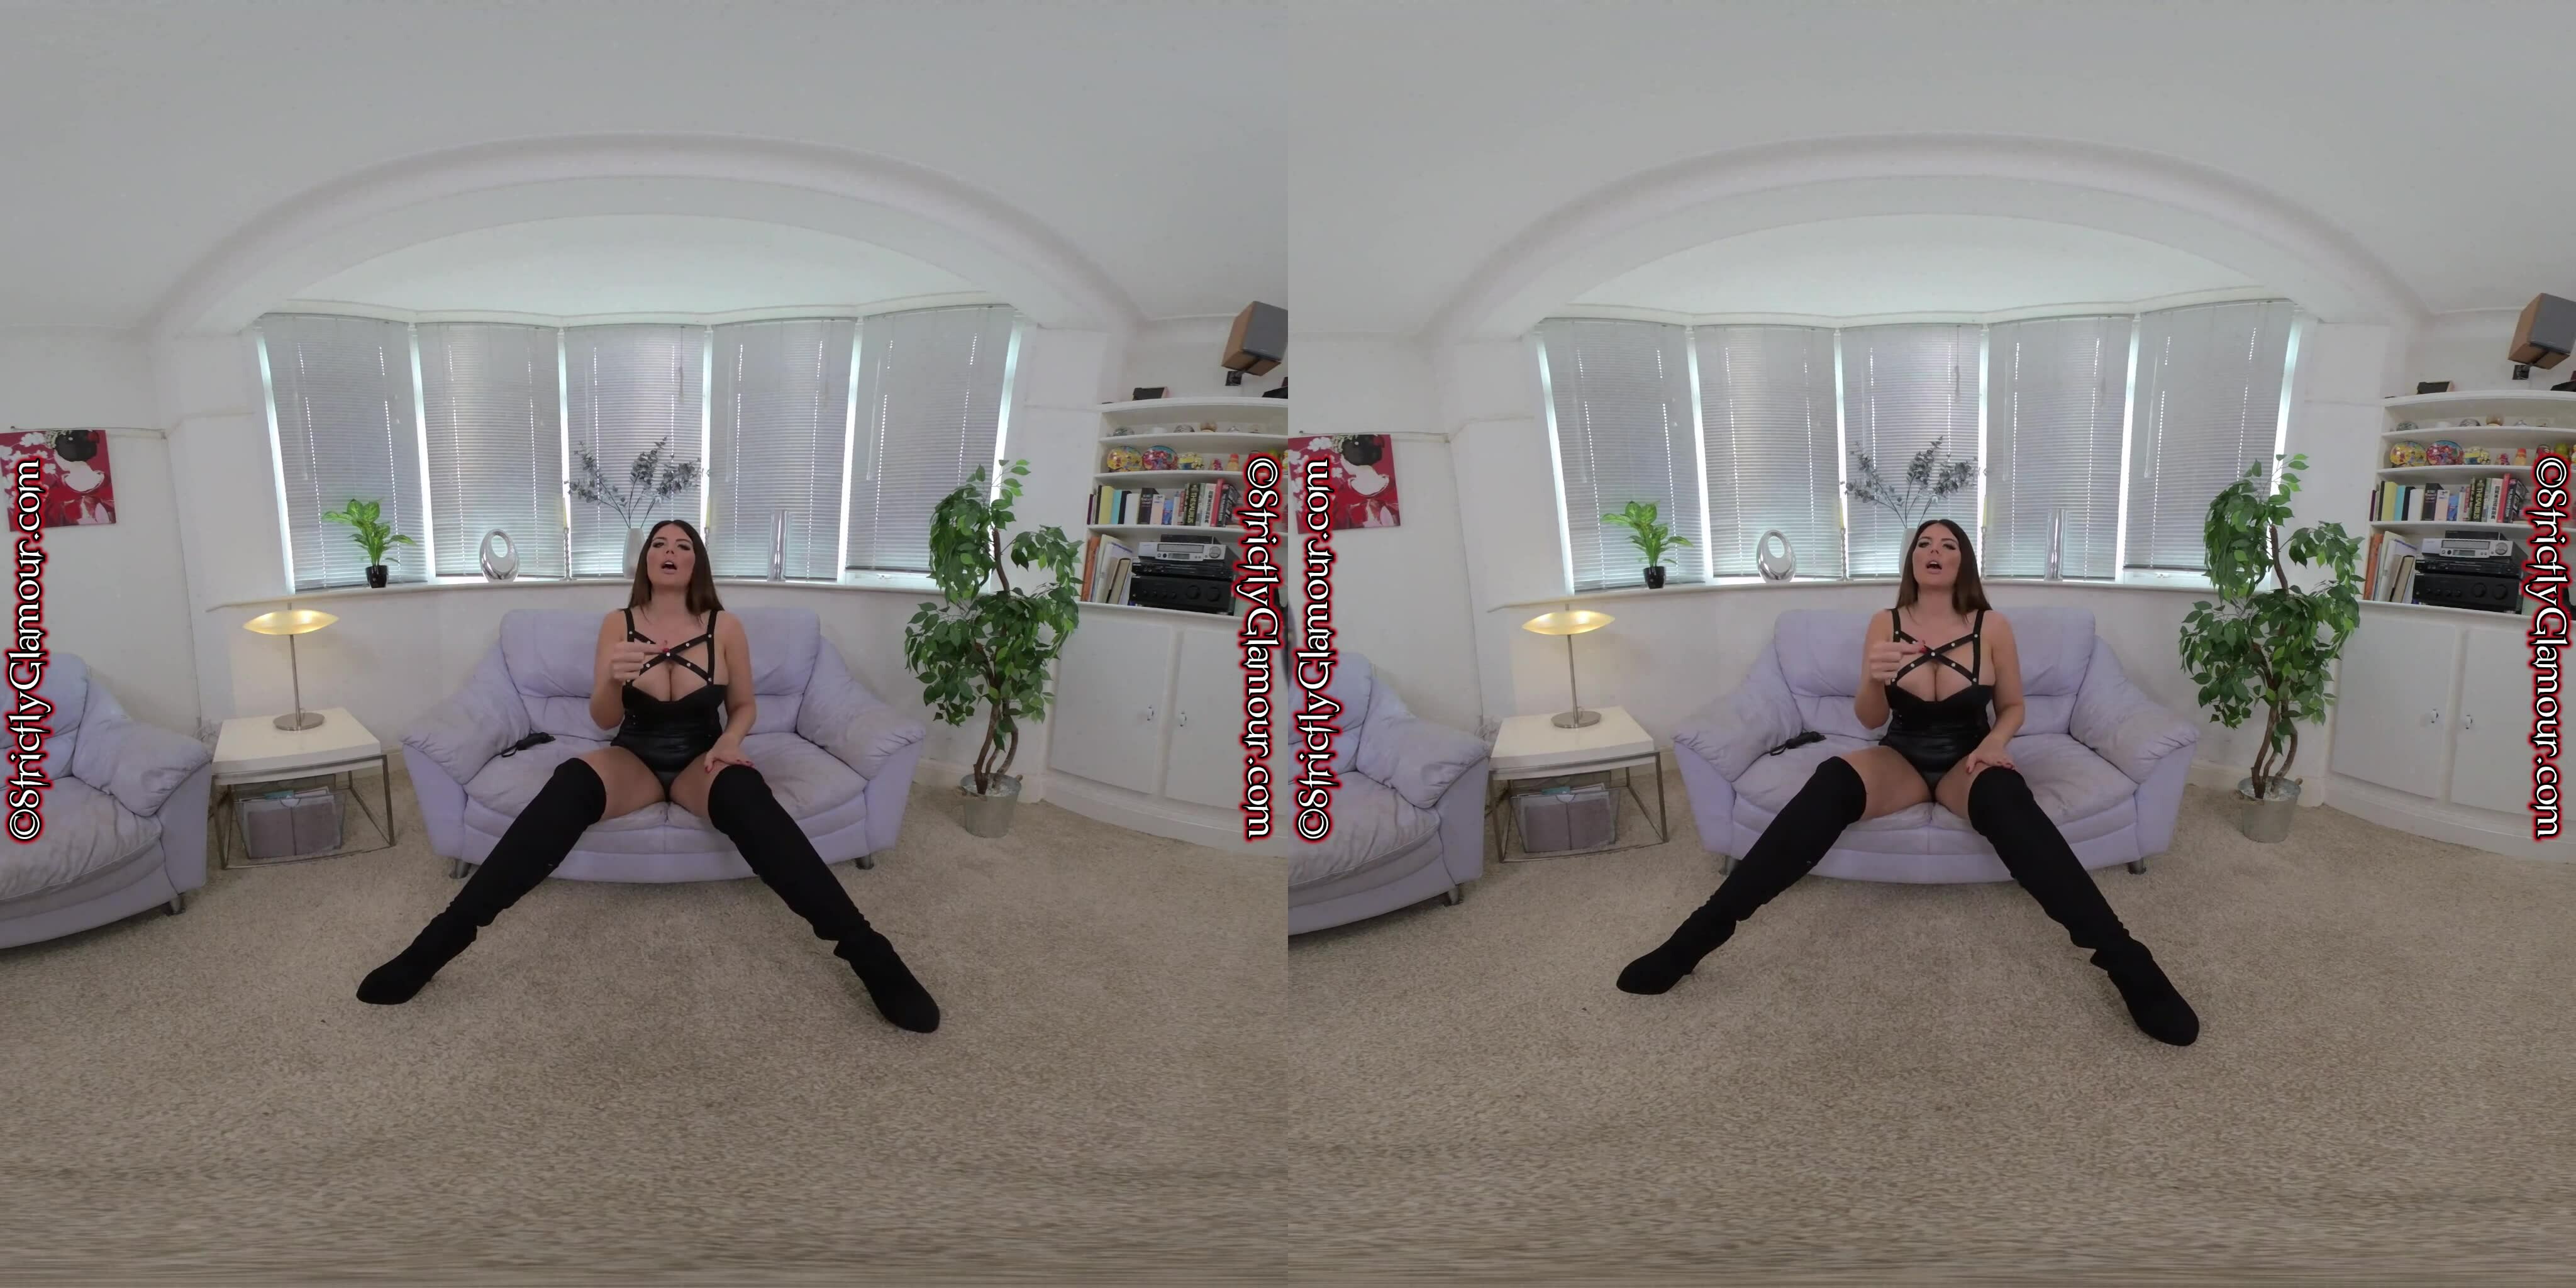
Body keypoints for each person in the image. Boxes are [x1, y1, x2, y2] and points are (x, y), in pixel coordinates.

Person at [1615, 518, 2198, 1046]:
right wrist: (1873, 679)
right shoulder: (1885, 623)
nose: (1935, 551)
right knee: (1830, 782)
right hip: (1902, 754)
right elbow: (1870, 719)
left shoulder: (1993, 626)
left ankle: (2128, 962)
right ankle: (1697, 937)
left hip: (1969, 755)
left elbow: (2014, 706)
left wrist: (1996, 745)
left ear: (1963, 561)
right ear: (1912, 560)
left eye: (1948, 545)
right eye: (1924, 544)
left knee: (2008, 800)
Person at [356, 519, 938, 1033]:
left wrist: (731, 743)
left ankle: (870, 954)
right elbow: (603, 719)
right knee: (569, 784)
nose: (669, 551)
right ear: (646, 562)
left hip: (700, 757)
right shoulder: (619, 623)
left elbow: (744, 707)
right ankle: (438, 942)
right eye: (659, 544)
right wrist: (611, 679)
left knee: (747, 795)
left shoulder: (725, 627)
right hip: (633, 754)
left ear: (696, 562)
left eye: (682, 545)